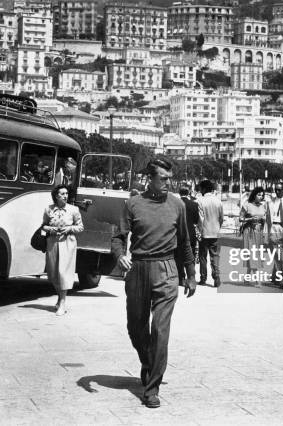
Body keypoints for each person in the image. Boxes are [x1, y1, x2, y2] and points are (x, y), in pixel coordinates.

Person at [111, 158, 196, 408]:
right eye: (163, 178)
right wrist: (120, 256)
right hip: (138, 268)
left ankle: (152, 388)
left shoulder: (177, 205)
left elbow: (186, 242)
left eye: (170, 178)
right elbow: (118, 237)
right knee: (136, 327)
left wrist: (190, 274)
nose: (168, 183)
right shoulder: (133, 204)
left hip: (167, 269)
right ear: (151, 178)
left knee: (160, 331)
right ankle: (148, 362)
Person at [42, 184, 84, 315]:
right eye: (62, 194)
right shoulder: (49, 209)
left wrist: (69, 228)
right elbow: (43, 226)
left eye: (66, 194)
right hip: (53, 243)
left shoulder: (74, 209)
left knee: (63, 272)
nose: (66, 196)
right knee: (53, 272)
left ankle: (63, 303)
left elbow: (80, 227)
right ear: (56, 196)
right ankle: (60, 299)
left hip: (68, 243)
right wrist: (51, 229)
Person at [197, 179, 224, 287]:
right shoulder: (218, 201)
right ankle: (216, 277)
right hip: (216, 232)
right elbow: (221, 218)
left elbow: (200, 219)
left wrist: (199, 231)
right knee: (215, 256)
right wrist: (218, 227)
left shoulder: (200, 201)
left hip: (204, 232)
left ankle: (203, 278)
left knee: (203, 257)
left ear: (203, 189)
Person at [239, 186, 269, 276]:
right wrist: (250, 219)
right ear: (254, 195)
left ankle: (247, 277)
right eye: (259, 195)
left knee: (256, 254)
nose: (261, 197)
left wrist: (264, 221)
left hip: (259, 232)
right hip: (249, 232)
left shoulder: (263, 206)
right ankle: (257, 279)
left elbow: (265, 220)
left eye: (262, 195)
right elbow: (240, 219)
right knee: (252, 254)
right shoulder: (247, 205)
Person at [179, 185, 200, 285]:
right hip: (190, 232)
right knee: (191, 255)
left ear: (179, 193)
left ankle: (181, 277)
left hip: (178, 233)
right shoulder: (193, 204)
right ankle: (191, 276)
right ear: (188, 193)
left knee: (178, 255)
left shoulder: (175, 204)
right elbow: (196, 220)